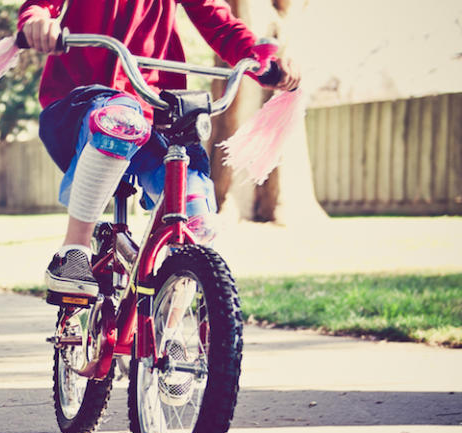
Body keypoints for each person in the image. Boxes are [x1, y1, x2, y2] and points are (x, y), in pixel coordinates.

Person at [18, 0, 301, 300]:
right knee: (120, 120)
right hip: (81, 104)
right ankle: (74, 251)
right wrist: (37, 20)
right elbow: (41, 5)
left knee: (197, 221)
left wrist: (262, 61)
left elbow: (218, 21)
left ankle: (171, 332)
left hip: (154, 109)